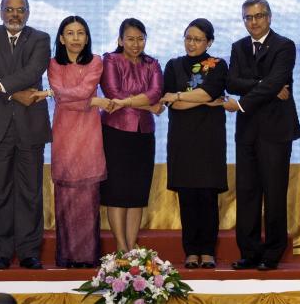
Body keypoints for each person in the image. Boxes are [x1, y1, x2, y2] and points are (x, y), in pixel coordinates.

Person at [0, 0, 51, 270]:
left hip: (31, 126)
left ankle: (30, 251)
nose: (14, 14)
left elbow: (33, 72)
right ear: (1, 12)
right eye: (9, 9)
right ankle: (2, 252)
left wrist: (1, 88)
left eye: (20, 10)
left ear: (27, 13)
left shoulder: (41, 39)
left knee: (30, 192)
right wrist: (14, 95)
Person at [223, 0, 300, 272]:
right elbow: (231, 81)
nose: (254, 22)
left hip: (275, 131)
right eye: (248, 17)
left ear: (270, 17)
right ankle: (250, 252)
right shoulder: (238, 47)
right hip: (247, 132)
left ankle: (273, 253)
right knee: (247, 193)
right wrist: (263, 85)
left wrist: (245, 99)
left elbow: (278, 80)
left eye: (259, 16)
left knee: (275, 193)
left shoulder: (284, 45)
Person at [158, 18, 228, 270]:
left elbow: (209, 92)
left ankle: (207, 251)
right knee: (187, 197)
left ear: (209, 42)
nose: (192, 43)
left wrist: (182, 96)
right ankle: (191, 252)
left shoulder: (218, 65)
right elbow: (172, 102)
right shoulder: (173, 65)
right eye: (188, 38)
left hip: (209, 141)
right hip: (183, 141)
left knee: (207, 197)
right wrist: (196, 98)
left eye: (198, 39)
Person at [47, 15, 108, 269]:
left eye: (80, 33)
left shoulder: (96, 62)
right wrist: (87, 100)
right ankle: (67, 257)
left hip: (89, 136)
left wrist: (68, 96)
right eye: (70, 33)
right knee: (65, 198)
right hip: (63, 135)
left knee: (88, 198)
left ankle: (87, 257)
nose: (75, 38)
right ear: (61, 38)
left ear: (87, 37)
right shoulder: (52, 64)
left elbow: (81, 91)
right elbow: (61, 95)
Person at [100, 17, 163, 253]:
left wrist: (127, 102)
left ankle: (132, 249)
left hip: (144, 135)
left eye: (140, 39)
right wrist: (148, 105)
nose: (136, 44)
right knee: (117, 191)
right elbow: (113, 92)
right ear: (120, 40)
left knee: (137, 193)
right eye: (130, 39)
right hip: (115, 133)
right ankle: (121, 247)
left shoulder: (152, 63)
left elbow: (156, 92)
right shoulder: (111, 60)